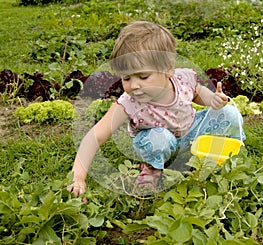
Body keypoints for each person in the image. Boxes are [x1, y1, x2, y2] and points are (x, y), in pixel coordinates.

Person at [67, 21, 245, 198]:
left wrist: (213, 100)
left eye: (143, 76)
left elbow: (199, 94)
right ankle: (152, 170)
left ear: (167, 69)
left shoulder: (183, 79)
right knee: (159, 138)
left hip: (190, 133)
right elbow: (95, 136)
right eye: (126, 78)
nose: (134, 85)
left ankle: (230, 154)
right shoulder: (129, 103)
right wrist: (78, 177)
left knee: (229, 114)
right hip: (158, 142)